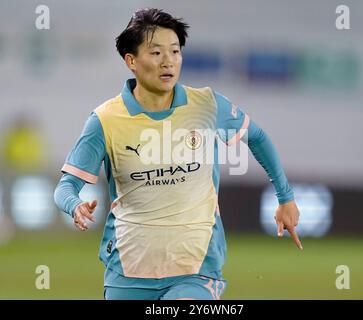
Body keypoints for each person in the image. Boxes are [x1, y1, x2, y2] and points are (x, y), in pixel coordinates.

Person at [54, 8, 302, 300]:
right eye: (156, 53)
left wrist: (285, 197)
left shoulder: (207, 105)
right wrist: (75, 206)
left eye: (175, 51)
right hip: (127, 273)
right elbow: (66, 187)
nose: (168, 60)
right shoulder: (105, 119)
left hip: (196, 270)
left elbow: (257, 137)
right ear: (131, 61)